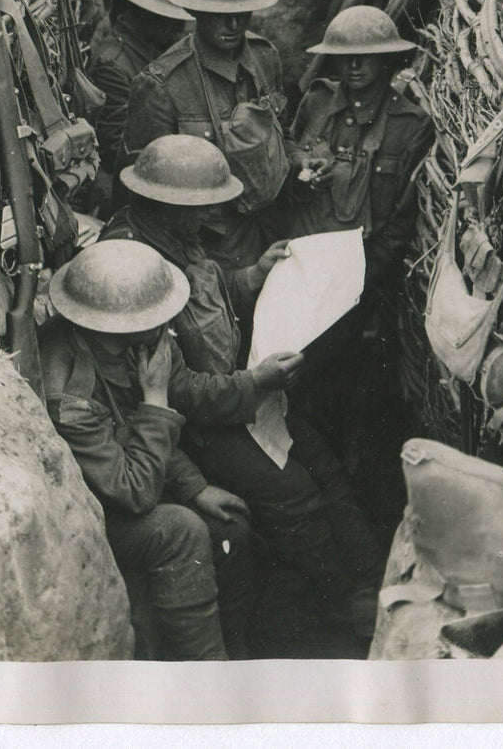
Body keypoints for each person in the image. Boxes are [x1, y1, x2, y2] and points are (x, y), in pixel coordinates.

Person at [101, 134, 387, 653]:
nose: (209, 216)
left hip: (238, 394)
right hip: (199, 426)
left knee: (322, 461)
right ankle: (332, 610)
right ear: (166, 203)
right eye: (200, 207)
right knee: (293, 493)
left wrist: (251, 277)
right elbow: (175, 390)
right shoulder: (132, 267)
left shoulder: (175, 234)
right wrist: (256, 385)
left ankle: (371, 583)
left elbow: (208, 292)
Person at [42, 239, 302, 659]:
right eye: (156, 319)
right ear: (120, 326)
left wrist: (194, 485)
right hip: (92, 507)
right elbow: (133, 492)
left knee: (231, 525)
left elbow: (131, 427)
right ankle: (204, 669)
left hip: (128, 472)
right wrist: (155, 397)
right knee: (181, 530)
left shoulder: (126, 339)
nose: (167, 325)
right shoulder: (70, 390)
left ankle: (235, 649)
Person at [287, 5, 436, 520]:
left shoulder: (409, 126)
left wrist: (362, 277)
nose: (353, 68)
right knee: (302, 390)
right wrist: (302, 166)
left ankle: (356, 497)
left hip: (366, 288)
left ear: (388, 62)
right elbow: (286, 153)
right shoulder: (316, 105)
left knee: (361, 398)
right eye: (344, 58)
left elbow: (402, 217)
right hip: (306, 269)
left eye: (366, 58)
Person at [123, 0, 295, 271]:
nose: (233, 24)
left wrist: (302, 161)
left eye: (242, 13)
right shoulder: (162, 85)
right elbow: (146, 196)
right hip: (210, 250)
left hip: (273, 228)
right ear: (195, 10)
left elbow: (283, 137)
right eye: (219, 14)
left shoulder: (265, 58)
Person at [85, 0, 191, 212]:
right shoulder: (114, 64)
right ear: (145, 14)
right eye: (169, 21)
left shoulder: (149, 48)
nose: (178, 30)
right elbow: (114, 145)